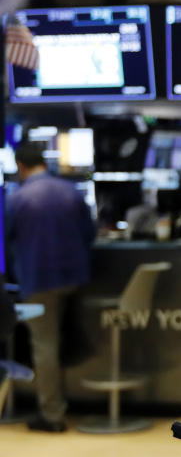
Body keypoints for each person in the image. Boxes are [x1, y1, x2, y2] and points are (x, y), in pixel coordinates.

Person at [7, 142, 95, 432]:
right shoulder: (71, 191)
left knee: (44, 346)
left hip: (39, 281)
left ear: (21, 166)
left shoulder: (17, 198)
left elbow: (6, 240)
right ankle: (68, 403)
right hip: (74, 278)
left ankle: (52, 415)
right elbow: (90, 233)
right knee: (60, 340)